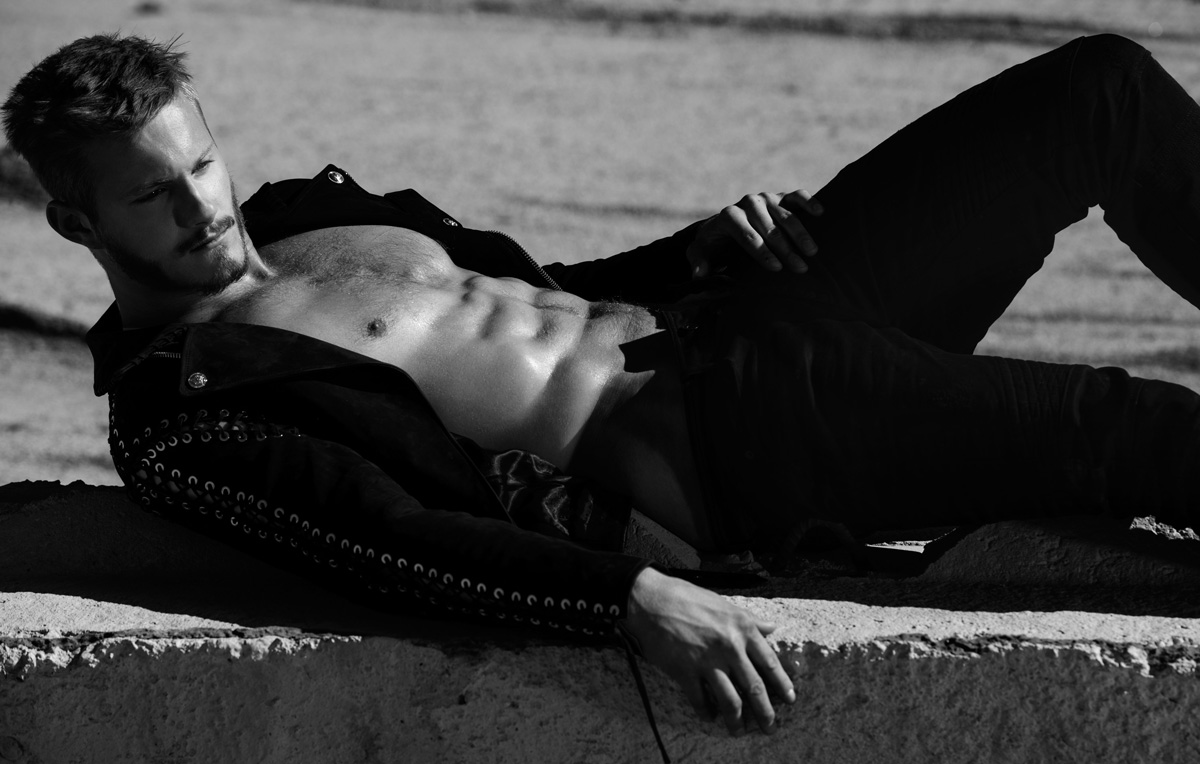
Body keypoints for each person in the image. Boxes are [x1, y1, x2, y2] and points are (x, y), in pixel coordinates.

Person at [5, 30, 1200, 748]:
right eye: (153, 195)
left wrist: (693, 250)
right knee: (1136, 431)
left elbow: (539, 298)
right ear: (74, 221)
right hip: (740, 436)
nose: (202, 205)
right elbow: (378, 535)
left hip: (750, 301)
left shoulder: (301, 214)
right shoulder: (183, 408)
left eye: (201, 161)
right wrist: (628, 598)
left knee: (1100, 90)